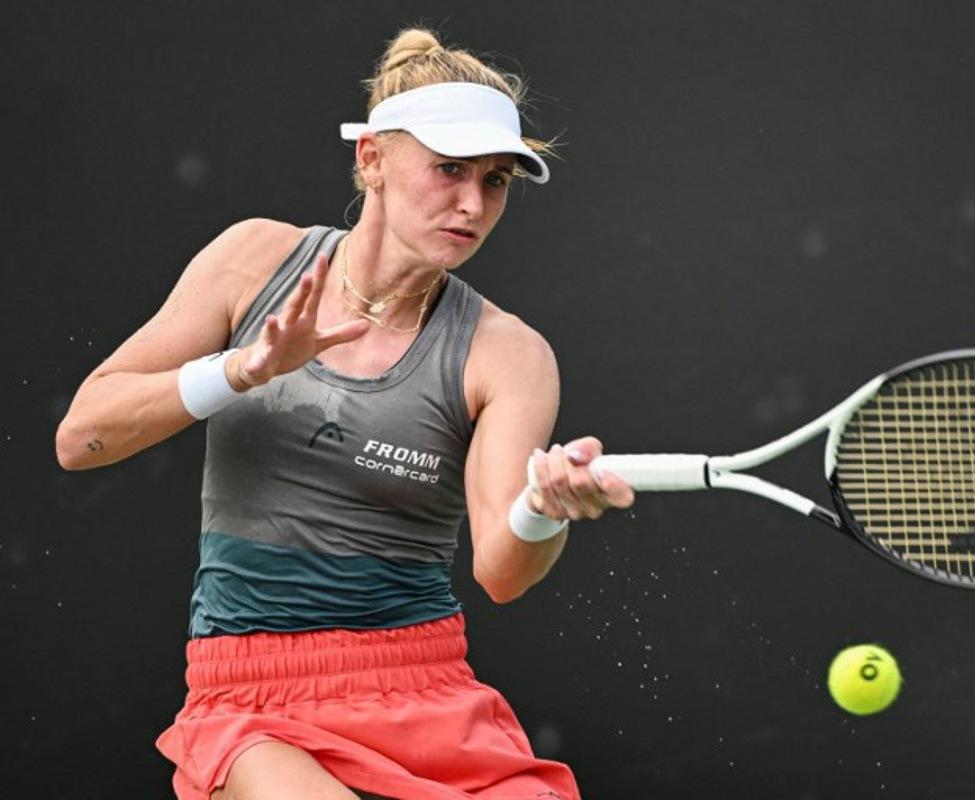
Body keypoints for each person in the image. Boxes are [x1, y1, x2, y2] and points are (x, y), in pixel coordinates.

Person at [54, 27, 633, 800]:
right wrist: (241, 370)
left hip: (428, 691)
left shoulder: (510, 355)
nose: (472, 203)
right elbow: (81, 437)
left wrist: (544, 510)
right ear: (372, 160)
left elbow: (501, 573)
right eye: (450, 168)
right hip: (251, 703)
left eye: (495, 180)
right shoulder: (252, 260)